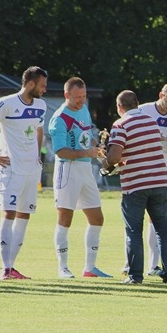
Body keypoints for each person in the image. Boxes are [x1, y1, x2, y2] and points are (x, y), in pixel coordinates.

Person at [0, 66, 48, 280]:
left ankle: (12, 267)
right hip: (11, 170)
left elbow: (39, 129)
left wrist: (37, 157)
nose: (44, 90)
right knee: (9, 214)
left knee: (24, 216)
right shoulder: (6, 103)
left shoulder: (41, 105)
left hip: (31, 171)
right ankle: (5, 268)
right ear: (31, 84)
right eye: (42, 86)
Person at [102, 90, 167, 284]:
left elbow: (115, 157)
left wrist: (105, 158)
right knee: (162, 229)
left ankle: (135, 275)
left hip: (136, 184)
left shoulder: (121, 124)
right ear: (137, 103)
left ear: (120, 107)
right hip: (160, 181)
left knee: (133, 230)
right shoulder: (151, 121)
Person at [48, 77, 111, 279]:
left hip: (85, 170)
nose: (81, 101)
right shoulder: (59, 118)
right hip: (68, 170)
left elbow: (87, 134)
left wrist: (97, 149)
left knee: (97, 217)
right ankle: (63, 268)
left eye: (83, 96)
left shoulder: (83, 109)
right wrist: (87, 153)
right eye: (77, 97)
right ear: (67, 95)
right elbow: (60, 152)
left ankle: (90, 268)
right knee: (65, 218)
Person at [130, 82, 167, 276]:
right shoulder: (143, 110)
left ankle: (153, 265)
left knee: (156, 219)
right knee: (134, 219)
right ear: (160, 94)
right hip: (140, 168)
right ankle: (130, 263)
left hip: (162, 170)